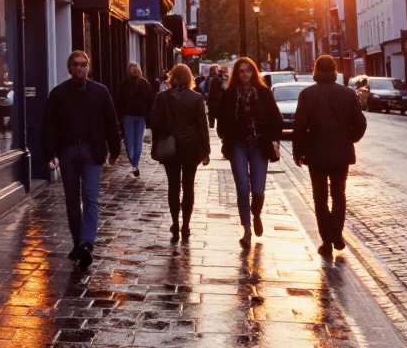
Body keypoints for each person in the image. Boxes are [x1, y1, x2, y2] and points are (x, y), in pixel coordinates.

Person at [42, 50, 121, 270]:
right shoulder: (58, 94)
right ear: (69, 68)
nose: (80, 68)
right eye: (76, 64)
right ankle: (79, 243)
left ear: (89, 67)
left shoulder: (100, 92)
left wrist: (114, 149)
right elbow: (49, 125)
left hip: (92, 151)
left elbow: (111, 122)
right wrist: (49, 153)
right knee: (71, 201)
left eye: (83, 64)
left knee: (91, 198)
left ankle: (86, 243)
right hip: (68, 152)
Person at [292, 55, 367, 257]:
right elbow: (360, 123)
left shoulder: (307, 94)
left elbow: (299, 126)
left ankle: (327, 240)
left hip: (315, 153)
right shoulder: (349, 94)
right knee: (338, 194)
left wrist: (298, 152)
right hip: (341, 153)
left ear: (316, 70)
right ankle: (336, 233)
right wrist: (349, 138)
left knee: (320, 197)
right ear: (335, 70)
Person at [216, 56, 283, 247]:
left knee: (259, 190)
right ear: (237, 74)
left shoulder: (263, 93)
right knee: (243, 189)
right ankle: (246, 229)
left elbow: (275, 118)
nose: (245, 74)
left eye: (249, 70)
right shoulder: (230, 94)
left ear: (254, 72)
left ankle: (257, 214)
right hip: (237, 145)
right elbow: (221, 118)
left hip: (259, 146)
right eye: (242, 71)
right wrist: (225, 135)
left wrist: (274, 140)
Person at [150, 64, 210, 243]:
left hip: (171, 149)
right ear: (190, 78)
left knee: (173, 186)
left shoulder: (162, 97)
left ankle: (175, 223)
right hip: (191, 148)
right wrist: (206, 151)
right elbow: (202, 127)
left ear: (172, 77)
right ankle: (186, 225)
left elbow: (154, 122)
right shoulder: (196, 98)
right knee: (189, 186)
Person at [116, 62, 155, 178]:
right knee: (137, 142)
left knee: (130, 142)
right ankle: (135, 164)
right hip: (137, 116)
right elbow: (151, 101)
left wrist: (120, 116)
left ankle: (134, 163)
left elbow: (119, 102)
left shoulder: (125, 84)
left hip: (130, 116)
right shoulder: (144, 84)